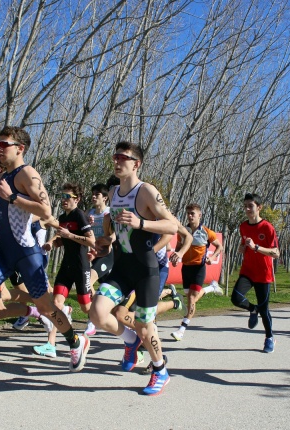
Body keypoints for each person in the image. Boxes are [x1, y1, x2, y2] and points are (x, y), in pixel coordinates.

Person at [0, 126, 88, 389]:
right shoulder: (4, 174)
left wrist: (13, 197)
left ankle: (75, 340)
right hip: (4, 253)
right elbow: (7, 215)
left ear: (20, 148)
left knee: (47, 308)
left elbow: (45, 208)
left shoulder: (27, 173)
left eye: (5, 144)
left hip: (27, 254)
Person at [89, 141, 177, 396]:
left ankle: (160, 370)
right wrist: (105, 244)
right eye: (115, 156)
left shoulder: (145, 191)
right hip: (122, 266)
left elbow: (172, 226)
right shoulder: (114, 192)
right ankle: (130, 341)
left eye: (122, 158)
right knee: (98, 312)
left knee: (144, 325)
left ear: (136, 164)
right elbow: (118, 232)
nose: (117, 161)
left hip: (145, 269)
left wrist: (141, 223)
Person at [32, 183, 94, 358]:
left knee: (86, 307)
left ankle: (108, 312)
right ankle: (51, 344)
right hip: (66, 266)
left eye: (68, 197)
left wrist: (69, 235)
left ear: (77, 199)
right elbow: (62, 238)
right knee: (56, 305)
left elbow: (91, 241)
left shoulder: (80, 215)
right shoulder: (62, 217)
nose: (64, 200)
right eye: (63, 196)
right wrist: (52, 242)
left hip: (81, 267)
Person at [230, 193, 279, 353]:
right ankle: (253, 309)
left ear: (259, 207)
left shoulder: (267, 227)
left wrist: (257, 247)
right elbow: (244, 244)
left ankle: (269, 338)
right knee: (236, 298)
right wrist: (242, 248)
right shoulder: (243, 226)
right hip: (248, 271)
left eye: (250, 206)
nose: (247, 209)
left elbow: (276, 253)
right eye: (245, 206)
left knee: (265, 310)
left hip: (263, 274)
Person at [170, 203, 222, 341]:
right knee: (190, 297)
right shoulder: (183, 231)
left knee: (192, 299)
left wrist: (212, 257)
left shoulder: (206, 232)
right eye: (188, 213)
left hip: (199, 268)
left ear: (200, 215)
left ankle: (182, 329)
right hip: (186, 267)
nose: (190, 216)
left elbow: (219, 247)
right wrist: (176, 256)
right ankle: (211, 287)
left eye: (192, 213)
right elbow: (179, 246)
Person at [85, 182, 115, 336]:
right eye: (93, 194)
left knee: (88, 281)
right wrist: (87, 225)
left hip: (107, 255)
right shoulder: (89, 213)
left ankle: (92, 321)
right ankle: (101, 316)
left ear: (105, 198)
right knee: (109, 293)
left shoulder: (109, 213)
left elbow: (116, 234)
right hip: (92, 254)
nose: (93, 197)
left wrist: (110, 239)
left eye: (97, 194)